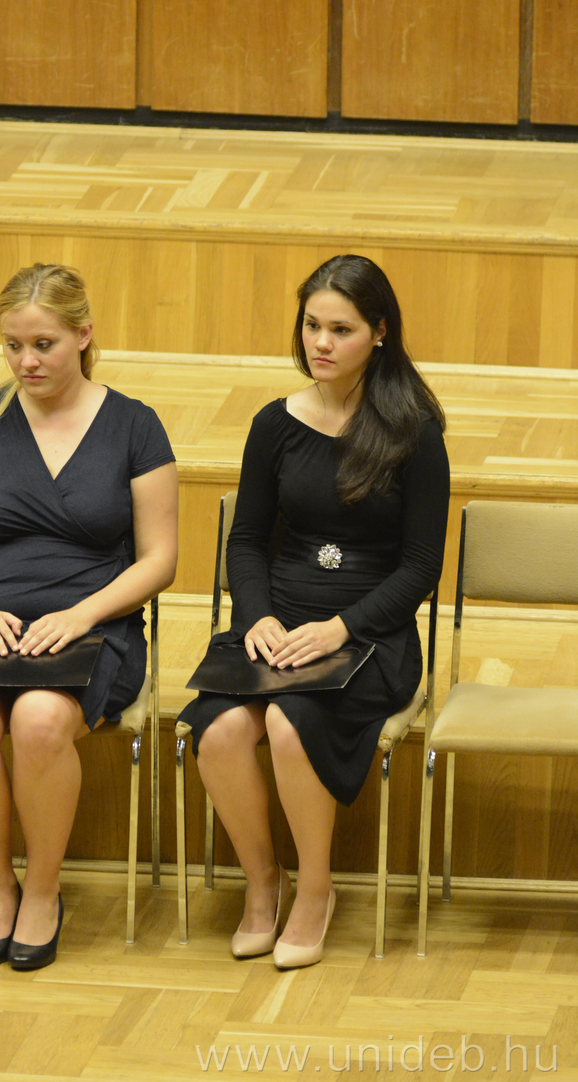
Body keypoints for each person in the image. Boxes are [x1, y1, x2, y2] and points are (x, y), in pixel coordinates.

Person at [179, 254, 449, 969]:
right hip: (277, 628)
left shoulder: (415, 432)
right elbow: (245, 539)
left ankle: (316, 890)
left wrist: (340, 628)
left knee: (289, 722)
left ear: (380, 333)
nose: (321, 343)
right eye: (311, 325)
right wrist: (257, 617)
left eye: (341, 329)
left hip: (367, 637)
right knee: (219, 733)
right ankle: (263, 881)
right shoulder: (275, 423)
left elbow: (421, 568)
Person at [0, 263, 178, 971]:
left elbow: (159, 560)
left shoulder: (135, 425)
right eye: (13, 345)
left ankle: (42, 891)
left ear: (83, 335)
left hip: (91, 628)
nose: (26, 361)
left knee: (37, 719)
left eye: (43, 345)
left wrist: (81, 615)